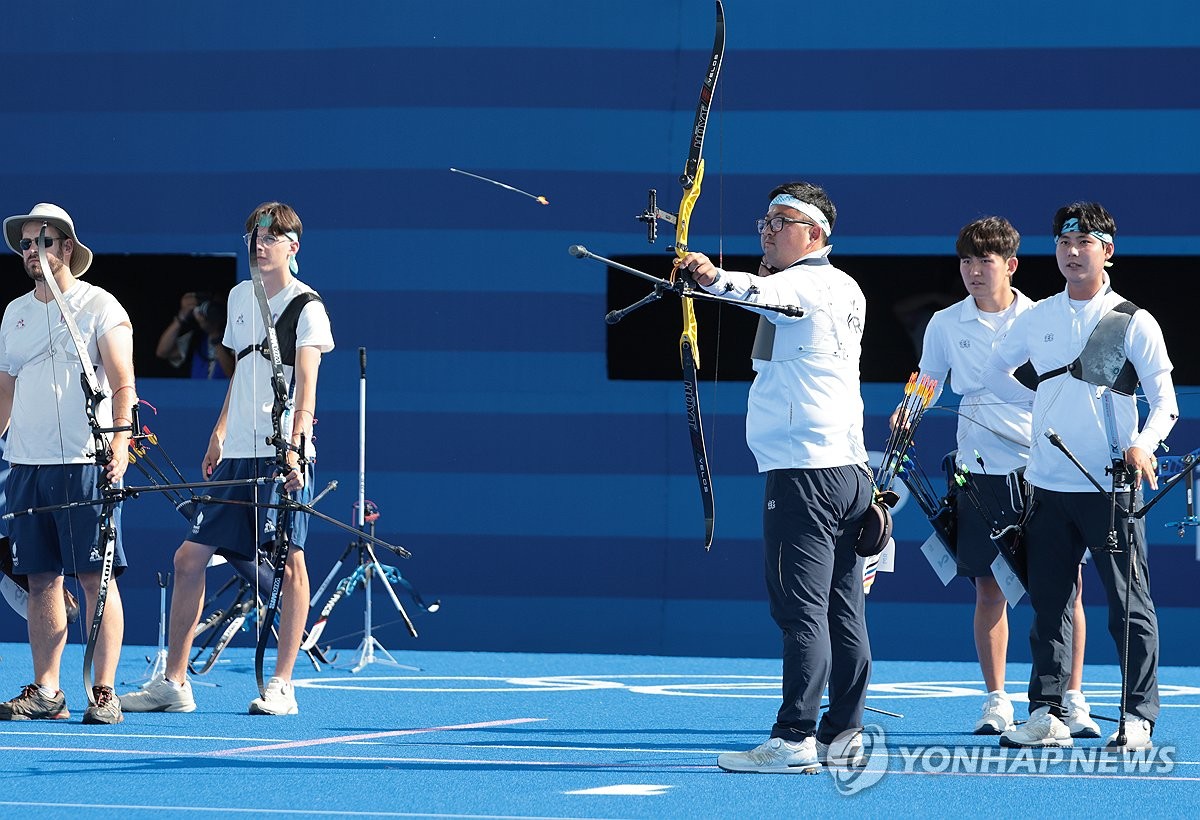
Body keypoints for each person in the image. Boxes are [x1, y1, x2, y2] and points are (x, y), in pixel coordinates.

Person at [679, 182, 873, 773]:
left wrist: (710, 277)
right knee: (842, 607)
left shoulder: (801, 284)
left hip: (805, 475)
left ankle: (794, 738)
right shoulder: (843, 284)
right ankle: (843, 735)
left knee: (800, 608)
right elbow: (771, 295)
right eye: (765, 219)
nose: (767, 228)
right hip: (847, 469)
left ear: (816, 235)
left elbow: (761, 292)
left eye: (783, 221)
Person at [121, 202, 334, 716]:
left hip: (282, 454)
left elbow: (306, 385)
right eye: (253, 237)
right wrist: (218, 433)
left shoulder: (309, 308)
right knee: (188, 558)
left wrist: (296, 444)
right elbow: (241, 372)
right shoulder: (241, 297)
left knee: (289, 564)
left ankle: (282, 684)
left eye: (270, 236)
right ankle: (174, 682)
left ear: (292, 246)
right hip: (237, 453)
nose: (259, 245)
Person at [893, 216, 1099, 737]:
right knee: (989, 589)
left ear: (1009, 265)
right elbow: (930, 380)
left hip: (1045, 470)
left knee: (1067, 587)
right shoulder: (944, 323)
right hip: (979, 472)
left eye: (984, 261)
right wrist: (910, 410)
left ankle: (1071, 699)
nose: (973, 271)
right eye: (966, 261)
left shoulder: (1042, 318)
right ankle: (997, 700)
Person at [982, 202, 1177, 751]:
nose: (1072, 253)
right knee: (1048, 605)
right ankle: (1045, 713)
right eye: (1064, 244)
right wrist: (1039, 409)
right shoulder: (1037, 316)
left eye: (1084, 244)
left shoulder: (1133, 319)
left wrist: (1143, 444)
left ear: (1106, 251)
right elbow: (995, 373)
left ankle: (1137, 715)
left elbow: (1165, 400)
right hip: (1046, 485)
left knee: (1127, 605)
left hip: (1110, 485)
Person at [0, 203, 136, 725]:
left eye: (46, 241)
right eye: (27, 243)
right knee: (39, 580)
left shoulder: (100, 305)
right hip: (26, 466)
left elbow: (123, 382)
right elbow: (5, 389)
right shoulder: (14, 312)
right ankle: (48, 691)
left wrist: (120, 444)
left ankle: (103, 692)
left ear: (68, 248)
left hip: (85, 461)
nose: (34, 251)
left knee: (94, 578)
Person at [155, 291, 233, 379]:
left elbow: (232, 374)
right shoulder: (196, 338)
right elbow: (162, 352)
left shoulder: (234, 336)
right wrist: (182, 317)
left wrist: (214, 334)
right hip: (196, 391)